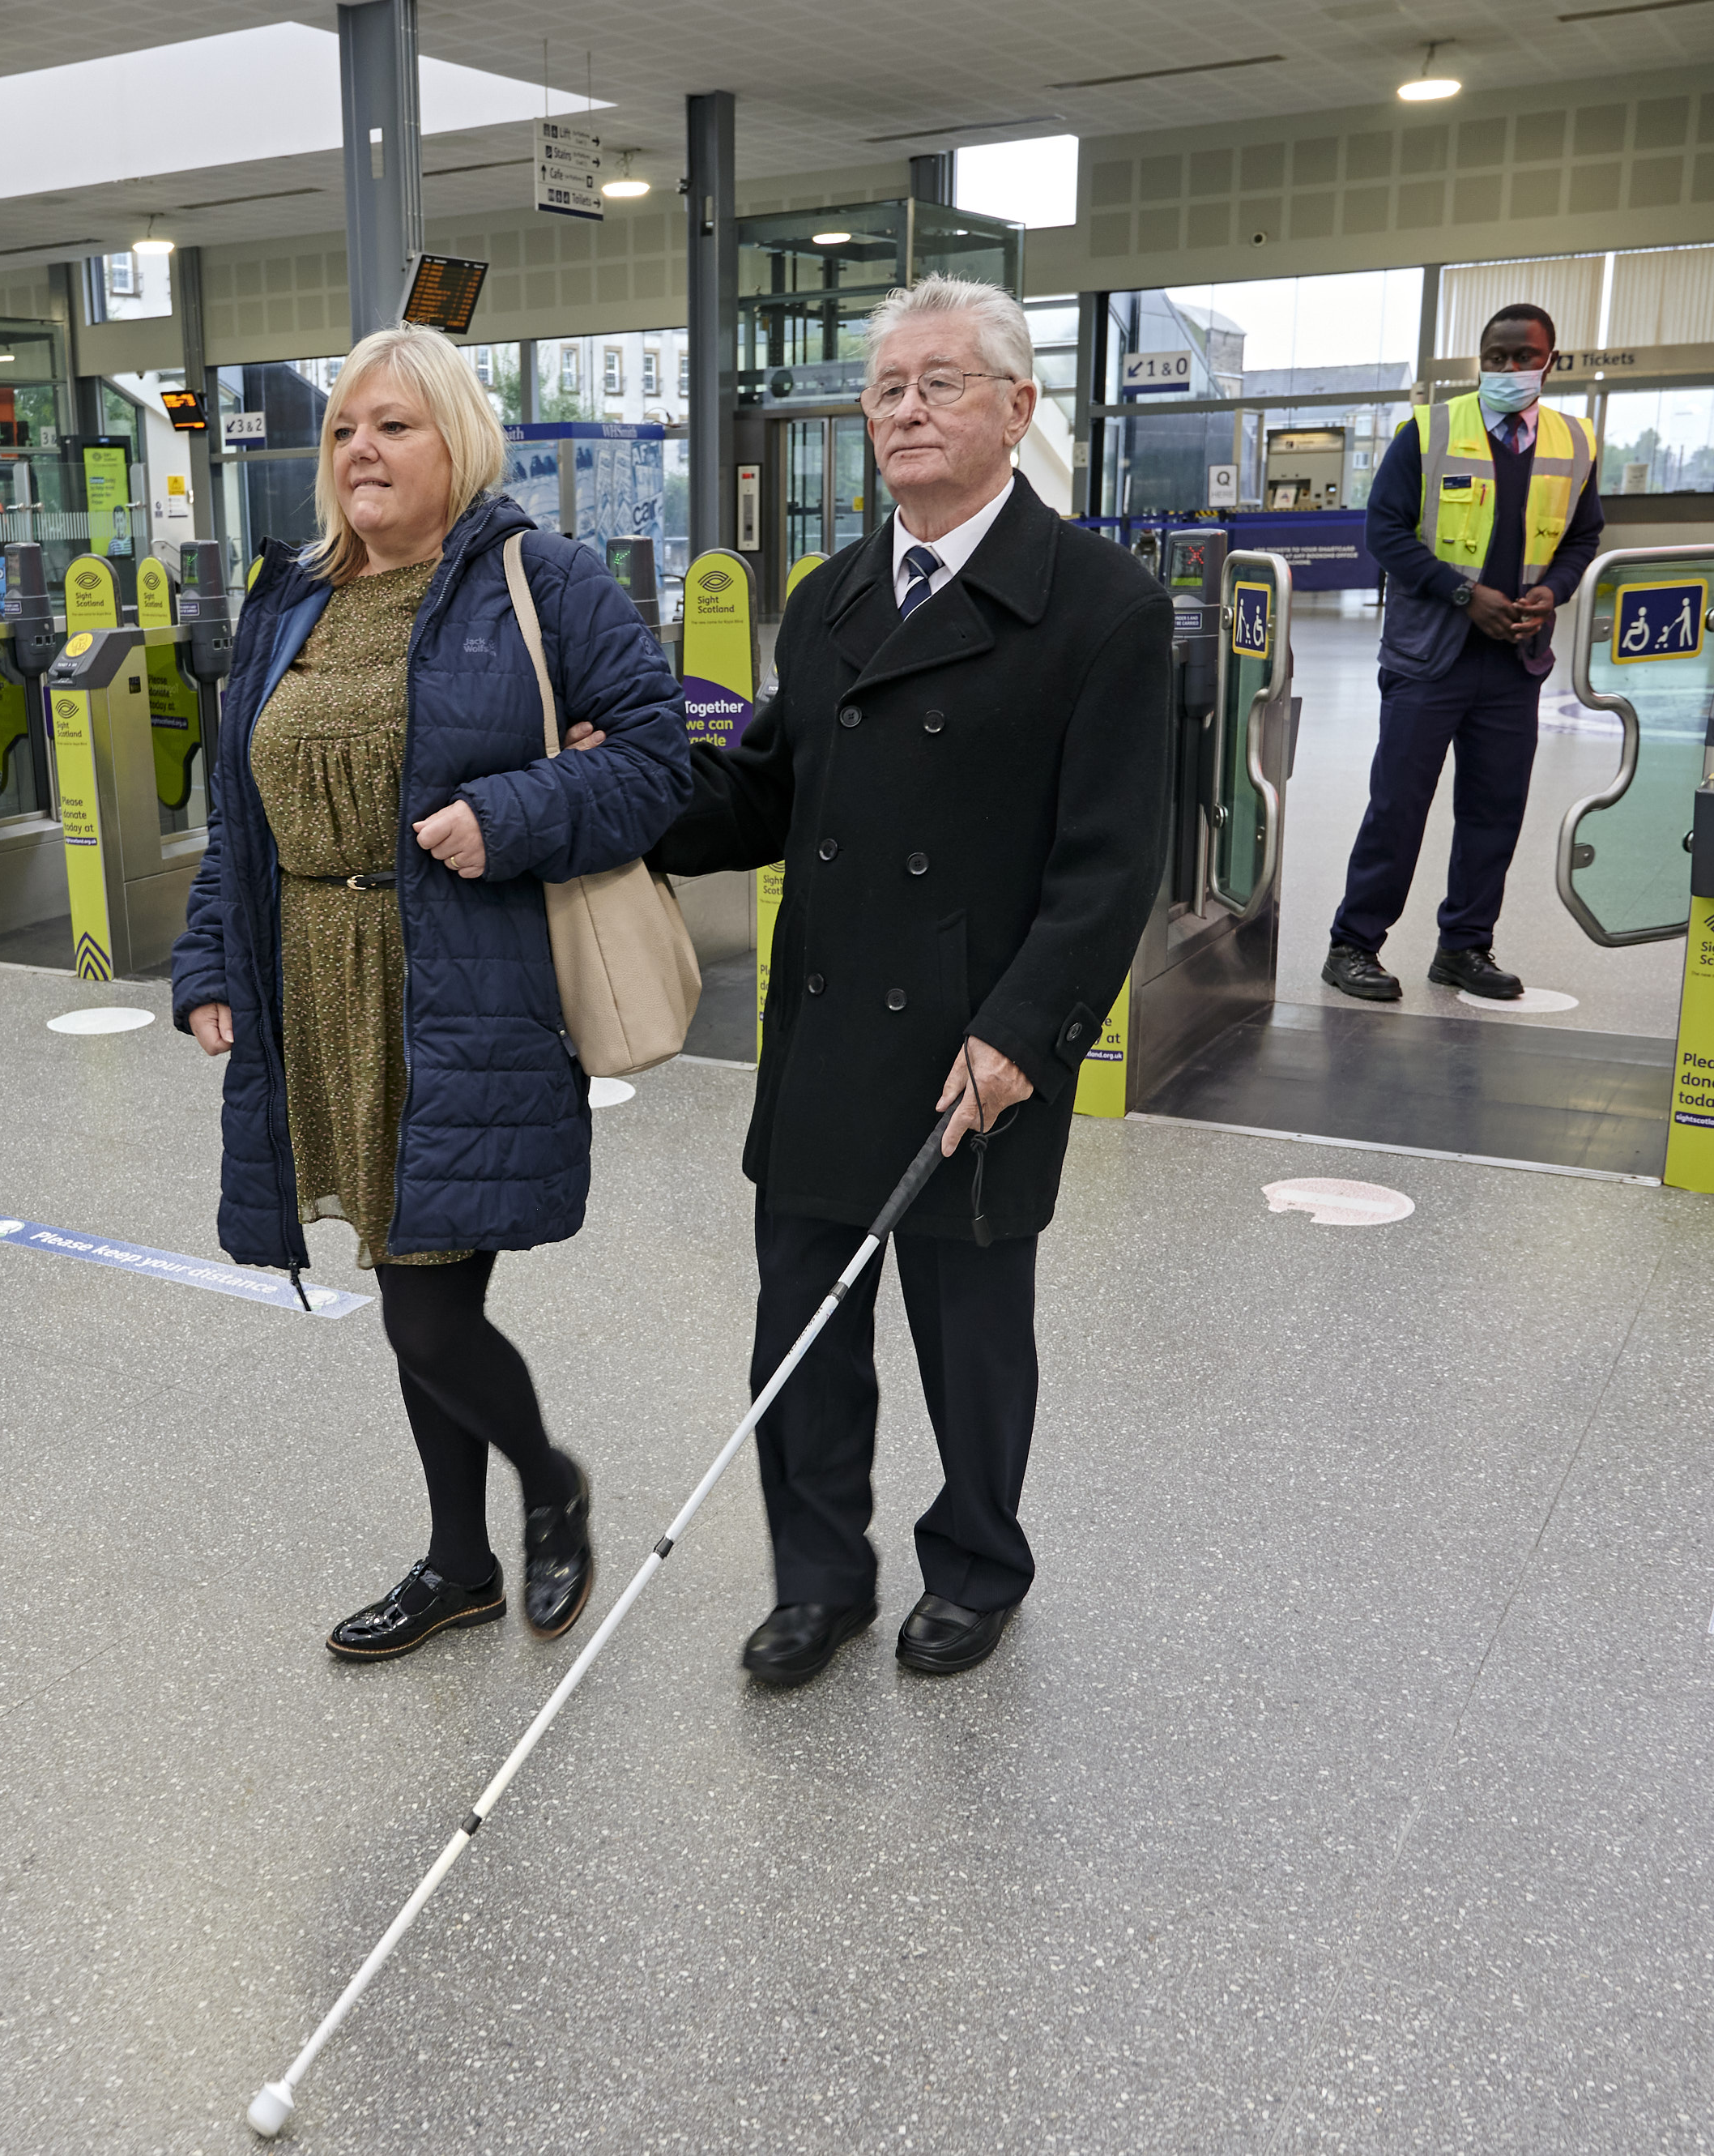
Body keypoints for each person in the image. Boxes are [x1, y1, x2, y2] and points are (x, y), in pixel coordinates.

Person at [650, 274, 1171, 1688]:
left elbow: (1115, 861)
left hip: (976, 1046)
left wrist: (1024, 1034)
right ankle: (819, 1578)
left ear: (1018, 406)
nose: (907, 410)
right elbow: (762, 796)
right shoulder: (827, 601)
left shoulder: (1101, 609)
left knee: (971, 1337)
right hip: (827, 1032)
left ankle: (980, 1562)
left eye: (941, 382)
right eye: (886, 388)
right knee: (803, 1334)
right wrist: (623, 796)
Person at [171, 324, 690, 1661]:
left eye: (392, 425)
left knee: (424, 1302)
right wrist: (211, 962)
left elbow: (656, 760)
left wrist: (509, 813)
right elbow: (241, 813)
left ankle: (548, 1483)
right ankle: (460, 1563)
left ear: (456, 440)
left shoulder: (542, 579)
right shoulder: (291, 600)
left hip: (460, 988)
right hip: (317, 986)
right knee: (412, 1290)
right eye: (345, 428)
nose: (360, 450)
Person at [1323, 302, 1604, 1003]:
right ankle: (1353, 945)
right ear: (1481, 359)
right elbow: (1384, 531)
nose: (1509, 369)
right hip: (1431, 655)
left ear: (1551, 359)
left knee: (1494, 809)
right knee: (1398, 805)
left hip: (1515, 657)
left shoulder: (1577, 441)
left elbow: (1581, 537)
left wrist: (1555, 592)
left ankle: (1464, 946)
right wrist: (1461, 594)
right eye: (1496, 357)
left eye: (1523, 357)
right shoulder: (1429, 429)